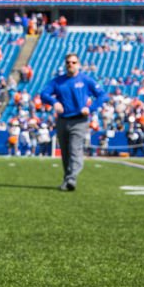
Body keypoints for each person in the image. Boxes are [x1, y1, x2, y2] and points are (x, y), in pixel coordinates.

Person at [39, 53, 106, 190]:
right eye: (68, 62)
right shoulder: (58, 81)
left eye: (74, 62)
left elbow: (103, 95)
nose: (71, 65)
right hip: (63, 120)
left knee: (74, 149)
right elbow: (44, 94)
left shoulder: (86, 80)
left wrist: (90, 107)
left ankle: (71, 179)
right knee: (65, 152)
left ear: (79, 65)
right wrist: (54, 102)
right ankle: (67, 178)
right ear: (65, 64)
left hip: (79, 120)